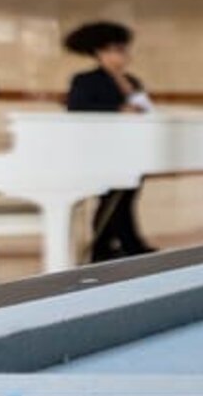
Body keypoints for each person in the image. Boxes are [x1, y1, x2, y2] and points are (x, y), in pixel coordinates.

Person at [64, 21, 155, 262]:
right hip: (100, 149)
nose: (125, 55)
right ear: (101, 53)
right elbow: (77, 108)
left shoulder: (132, 81)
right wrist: (117, 109)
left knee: (126, 197)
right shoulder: (85, 80)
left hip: (130, 148)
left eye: (124, 49)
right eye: (118, 50)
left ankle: (115, 246)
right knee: (112, 199)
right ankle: (118, 246)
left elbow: (144, 108)